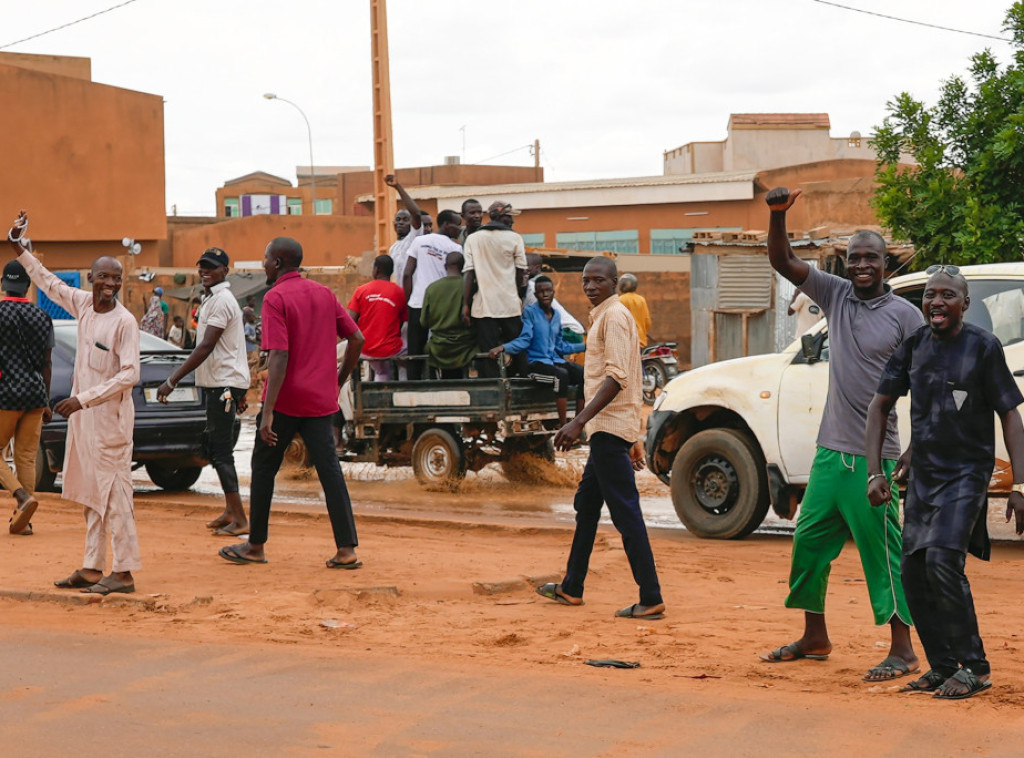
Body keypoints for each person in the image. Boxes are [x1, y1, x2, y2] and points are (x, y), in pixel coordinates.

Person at [757, 187, 924, 682]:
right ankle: (815, 636)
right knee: (808, 542)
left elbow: (930, 388)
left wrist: (914, 450)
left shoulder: (906, 317)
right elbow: (782, 259)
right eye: (854, 258)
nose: (861, 266)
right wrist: (777, 215)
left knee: (881, 553)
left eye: (870, 257)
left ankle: (904, 649)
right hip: (831, 454)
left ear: (885, 262)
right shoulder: (836, 294)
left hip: (873, 459)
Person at [866, 266, 1024, 699]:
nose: (936, 302)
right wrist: (875, 470)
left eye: (947, 295)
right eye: (930, 295)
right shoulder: (914, 346)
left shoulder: (983, 347)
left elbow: (1010, 413)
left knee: (941, 562)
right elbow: (879, 406)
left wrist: (1021, 484)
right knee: (913, 571)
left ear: (965, 304)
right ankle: (941, 665)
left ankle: (975, 667)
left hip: (968, 472)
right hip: (924, 475)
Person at [9, 210, 141, 595]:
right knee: (90, 495)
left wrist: (82, 399)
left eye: (116, 278)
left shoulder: (124, 322)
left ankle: (126, 571)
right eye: (103, 276)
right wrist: (20, 248)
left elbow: (130, 374)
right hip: (85, 426)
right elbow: (47, 283)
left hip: (110, 424)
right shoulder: (82, 305)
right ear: (91, 278)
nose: (109, 284)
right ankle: (91, 566)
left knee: (116, 495)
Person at [217, 236, 365, 570]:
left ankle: (255, 546)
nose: (263, 264)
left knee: (264, 468)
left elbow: (280, 355)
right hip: (319, 402)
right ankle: (346, 550)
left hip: (285, 400)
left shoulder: (275, 297)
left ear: (278, 263)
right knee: (330, 472)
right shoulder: (324, 293)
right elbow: (357, 338)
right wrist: (337, 380)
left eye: (266, 258)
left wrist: (266, 411)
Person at [535, 256, 665, 620]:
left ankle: (651, 596)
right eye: (585, 281)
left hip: (606, 430)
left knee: (626, 514)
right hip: (608, 430)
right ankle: (571, 587)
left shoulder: (615, 316)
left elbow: (619, 377)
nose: (591, 287)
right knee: (587, 507)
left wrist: (577, 422)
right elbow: (634, 378)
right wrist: (634, 436)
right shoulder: (603, 317)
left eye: (598, 281)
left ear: (614, 283)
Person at [157, 247, 250, 537]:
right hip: (221, 385)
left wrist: (172, 379)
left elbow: (207, 346)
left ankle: (241, 519)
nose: (205, 271)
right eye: (202, 266)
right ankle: (231, 511)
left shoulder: (221, 301)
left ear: (225, 270)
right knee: (213, 446)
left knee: (221, 452)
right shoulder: (212, 298)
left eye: (212, 267)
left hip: (223, 386)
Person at [0, 259, 53, 536]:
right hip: (35, 394)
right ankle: (25, 522)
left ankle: (21, 497)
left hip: (6, 395)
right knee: (26, 458)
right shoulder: (42, 317)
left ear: (2, 285)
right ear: (27, 287)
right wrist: (44, 400)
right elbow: (47, 362)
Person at [489, 275, 585, 426]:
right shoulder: (530, 313)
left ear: (553, 292)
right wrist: (504, 347)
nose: (545, 294)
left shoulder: (556, 315)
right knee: (562, 376)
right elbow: (525, 339)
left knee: (583, 374)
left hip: (554, 360)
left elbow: (560, 347)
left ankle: (578, 423)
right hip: (536, 364)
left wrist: (586, 346)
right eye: (541, 292)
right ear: (536, 295)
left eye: (548, 291)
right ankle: (563, 425)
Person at [462, 200, 527, 378]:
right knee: (518, 348)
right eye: (509, 217)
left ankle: (490, 386)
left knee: (487, 352)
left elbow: (469, 273)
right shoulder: (515, 238)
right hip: (510, 306)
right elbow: (521, 273)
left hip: (483, 308)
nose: (512, 222)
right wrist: (518, 296)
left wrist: (465, 305)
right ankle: (519, 383)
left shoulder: (473, 239)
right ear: (500, 217)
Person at [403, 210, 462, 380]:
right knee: (445, 347)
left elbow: (407, 274)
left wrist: (408, 302)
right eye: (456, 225)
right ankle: (449, 385)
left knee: (415, 351)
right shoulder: (456, 248)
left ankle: (413, 387)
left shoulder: (419, 241)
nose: (460, 229)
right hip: (443, 306)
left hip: (417, 304)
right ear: (445, 224)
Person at [346, 254, 407, 381]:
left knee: (381, 371)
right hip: (391, 349)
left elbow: (350, 322)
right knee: (406, 358)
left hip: (365, 348)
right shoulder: (399, 292)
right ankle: (403, 386)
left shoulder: (361, 290)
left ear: (377, 270)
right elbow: (403, 322)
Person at [421, 251, 479, 379]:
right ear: (464, 266)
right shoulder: (472, 287)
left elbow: (423, 322)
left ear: (445, 266)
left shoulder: (432, 288)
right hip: (466, 346)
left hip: (439, 347)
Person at [522, 253, 585, 336]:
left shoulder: (534, 286)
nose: (523, 269)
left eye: (526, 266)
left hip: (568, 332)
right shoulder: (531, 285)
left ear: (537, 268)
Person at [385, 174, 426, 288]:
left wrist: (398, 187)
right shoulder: (393, 248)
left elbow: (416, 214)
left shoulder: (414, 238)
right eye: (398, 219)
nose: (401, 222)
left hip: (415, 294)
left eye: (405, 219)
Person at [617, 273, 652, 349]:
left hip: (626, 341)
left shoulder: (620, 300)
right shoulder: (641, 300)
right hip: (641, 341)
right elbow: (648, 322)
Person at [243, 307, 260, 375]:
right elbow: (246, 337)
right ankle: (253, 377)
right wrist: (255, 342)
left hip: (252, 348)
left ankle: (253, 376)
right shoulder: (247, 326)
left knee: (254, 362)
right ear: (248, 317)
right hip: (251, 348)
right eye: (252, 316)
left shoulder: (250, 325)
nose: (253, 317)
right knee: (255, 361)